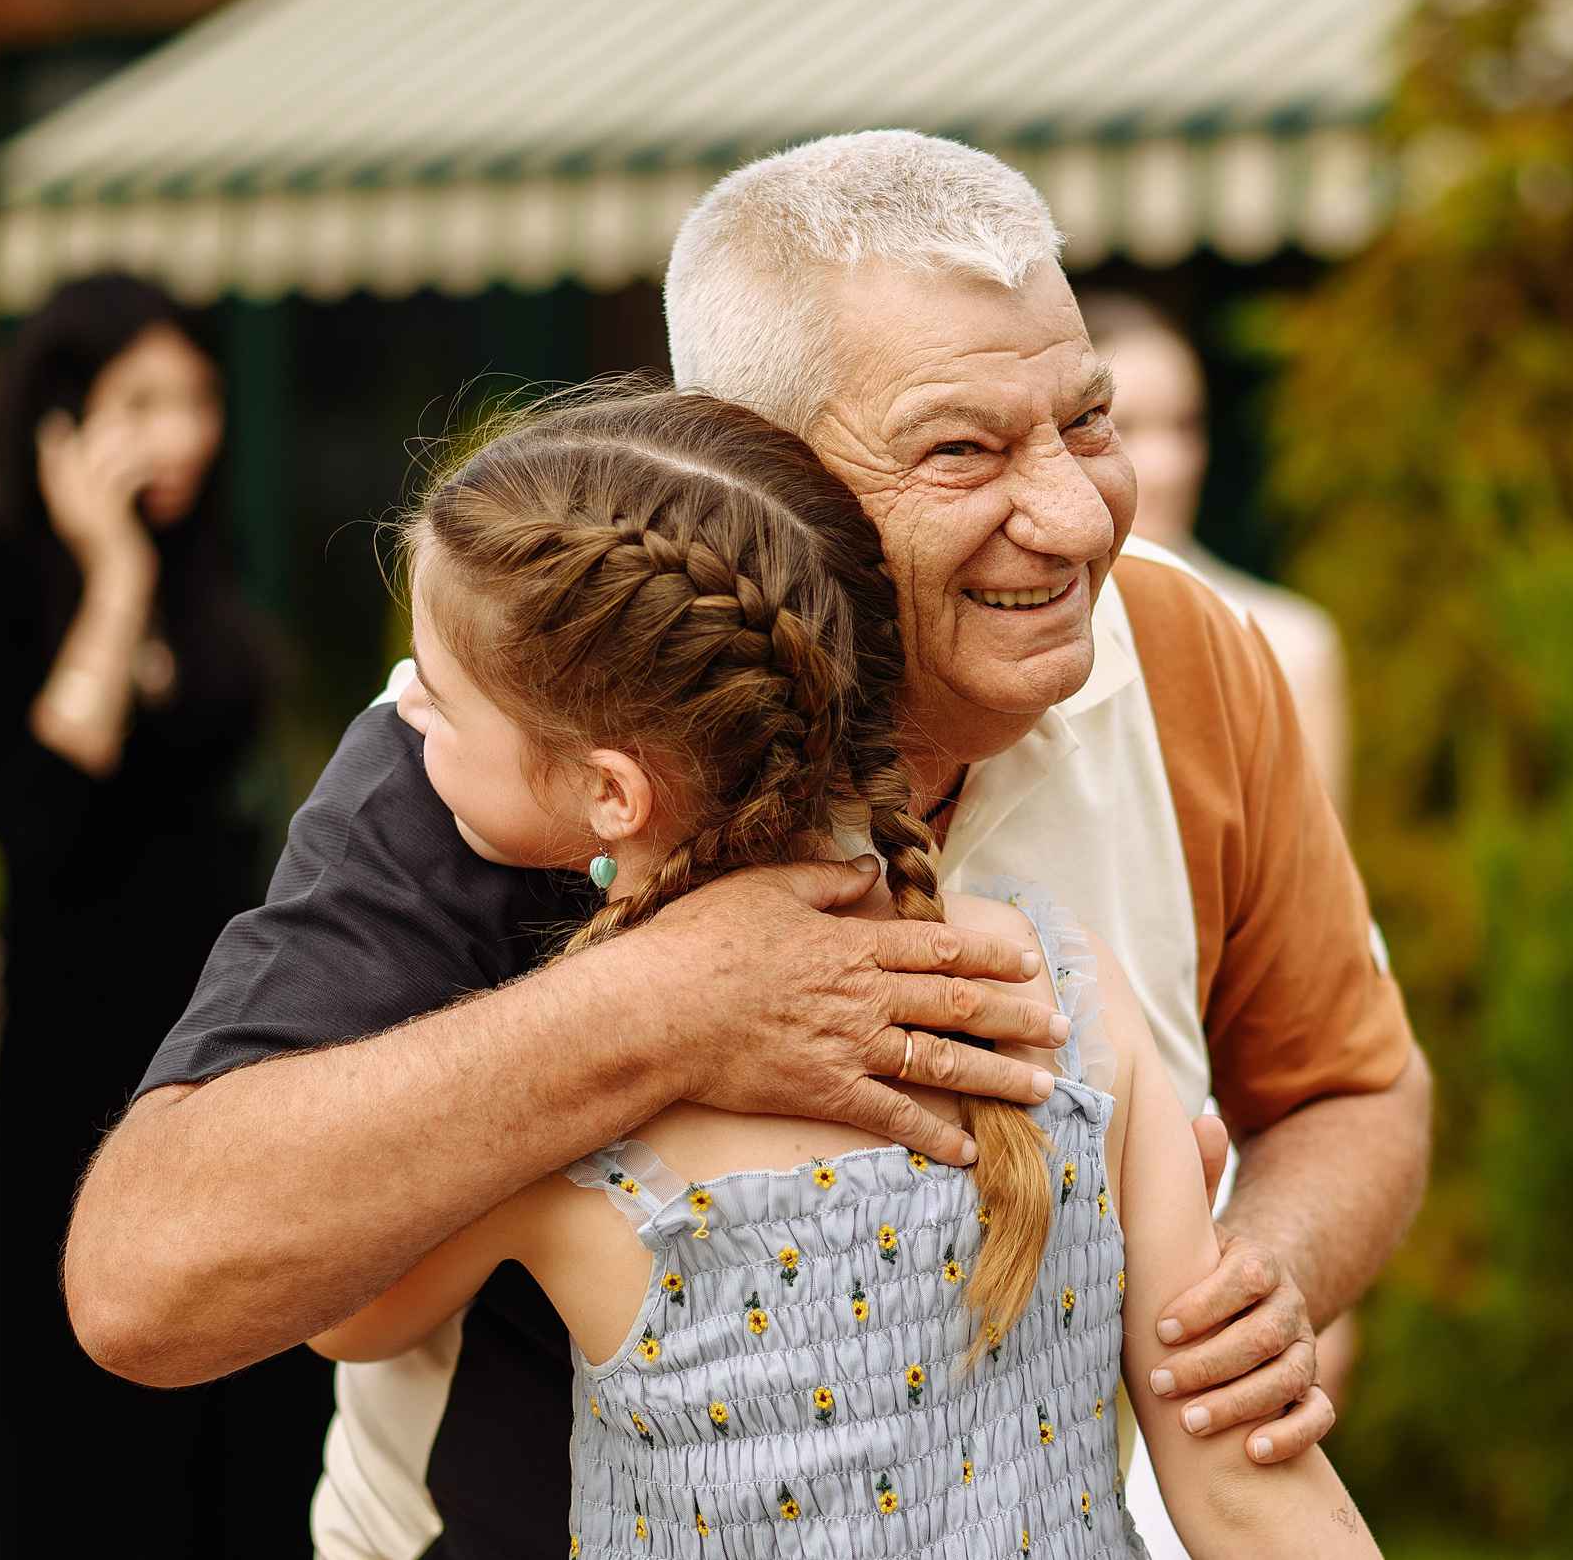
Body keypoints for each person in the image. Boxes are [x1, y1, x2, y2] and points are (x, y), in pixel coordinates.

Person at [64, 132, 1429, 1559]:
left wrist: (1254, 1277)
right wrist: (664, 1008)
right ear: (752, 473)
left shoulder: (1188, 654)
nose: (1082, 516)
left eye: (1089, 422)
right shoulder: (492, 743)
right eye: (961, 448)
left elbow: (1352, 1090)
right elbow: (149, 1285)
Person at [310, 383, 1377, 1555]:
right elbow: (1243, 1480)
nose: (407, 706)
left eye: (441, 694)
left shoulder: (566, 1129)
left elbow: (345, 1313)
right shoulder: (1065, 989)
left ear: (611, 793)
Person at [0, 273, 330, 1555]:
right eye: (142, 402)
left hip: (228, 1029)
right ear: (60, 418)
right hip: (71, 1048)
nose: (186, 431)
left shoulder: (211, 565)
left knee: (254, 1389)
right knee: (84, 1399)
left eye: (199, 397)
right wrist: (111, 580)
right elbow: (30, 814)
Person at [1085, 292, 1351, 815]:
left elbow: (1314, 884)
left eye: (1185, 425)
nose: (1168, 464)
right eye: (1125, 425)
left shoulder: (1291, 643)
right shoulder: (1015, 639)